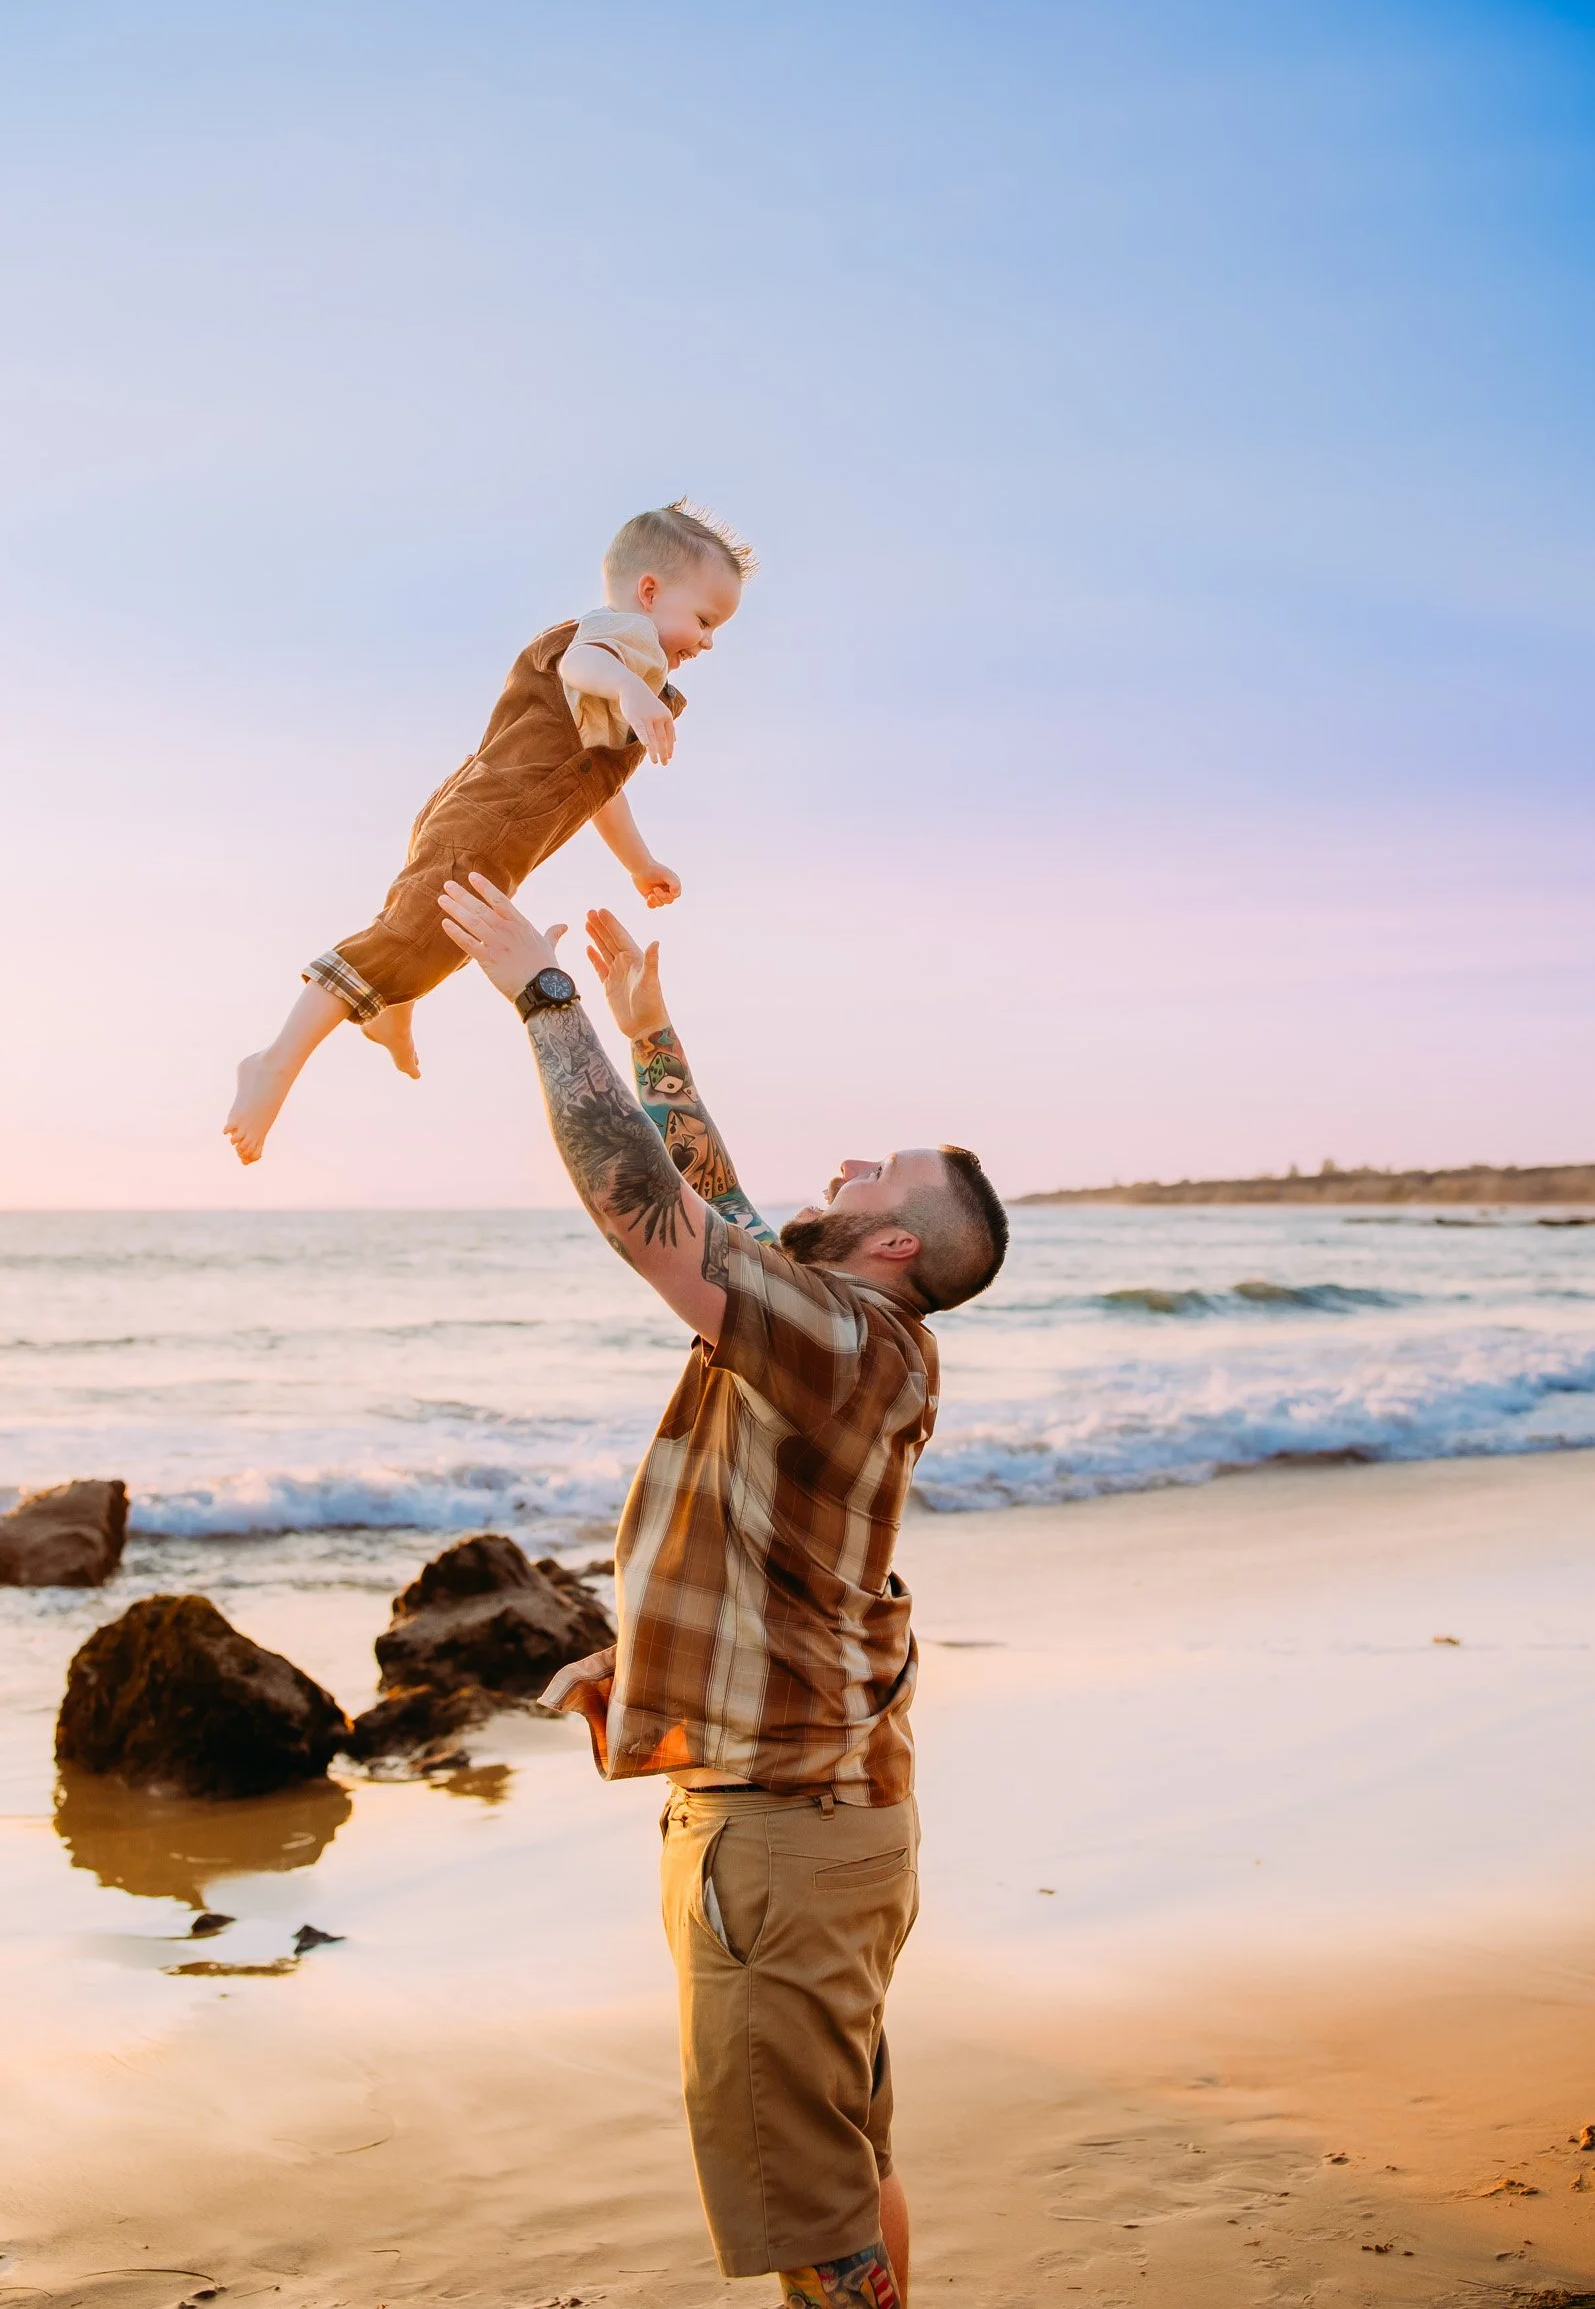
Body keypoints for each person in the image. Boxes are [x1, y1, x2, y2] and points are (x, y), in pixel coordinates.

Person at [436, 879, 1009, 2309]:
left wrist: (540, 997)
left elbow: (647, 1214)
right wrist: (647, 1022)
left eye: (874, 1175)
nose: (848, 1168)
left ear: (892, 1248)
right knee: (842, 2164)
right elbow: (717, 1203)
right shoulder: (834, 1326)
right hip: (825, 1825)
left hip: (784, 1848)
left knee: (817, 2223)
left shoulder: (847, 1345)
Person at [223, 500, 753, 1163]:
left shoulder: (633, 676)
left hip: (486, 823)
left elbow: (599, 790)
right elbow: (581, 665)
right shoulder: (611, 641)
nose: (705, 641)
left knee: (442, 930)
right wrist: (630, 690)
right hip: (486, 818)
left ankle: (392, 1005)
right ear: (648, 592)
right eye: (704, 619)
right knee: (409, 933)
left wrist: (638, 863)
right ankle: (271, 1064)